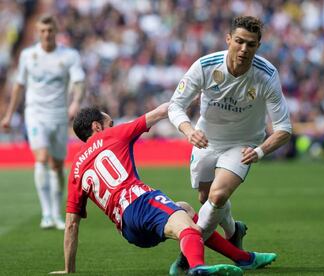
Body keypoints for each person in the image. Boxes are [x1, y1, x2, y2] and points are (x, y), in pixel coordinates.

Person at [49, 104, 252, 275]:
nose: (113, 126)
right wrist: (185, 102)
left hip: (128, 229)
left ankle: (242, 257)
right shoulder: (112, 135)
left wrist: (69, 269)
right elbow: (161, 111)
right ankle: (198, 268)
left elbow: (71, 226)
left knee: (185, 210)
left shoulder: (76, 168)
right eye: (110, 123)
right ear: (97, 126)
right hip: (140, 202)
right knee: (187, 228)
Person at [168, 15, 291, 272]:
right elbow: (175, 106)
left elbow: (284, 129)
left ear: (258, 46)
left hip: (243, 144)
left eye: (251, 44)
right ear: (228, 40)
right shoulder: (205, 66)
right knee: (205, 198)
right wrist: (189, 130)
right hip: (206, 140)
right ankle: (234, 231)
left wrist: (259, 151)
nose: (244, 49)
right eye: (239, 41)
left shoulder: (266, 75)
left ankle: (189, 253)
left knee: (218, 194)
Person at [1, 14, 85, 230]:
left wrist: (75, 102)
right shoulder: (28, 56)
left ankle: (56, 212)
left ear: (56, 31)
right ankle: (47, 214)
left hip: (58, 114)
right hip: (35, 113)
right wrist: (9, 114)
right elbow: (19, 85)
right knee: (41, 158)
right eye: (43, 31)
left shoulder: (68, 56)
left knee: (57, 165)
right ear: (38, 32)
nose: (47, 34)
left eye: (50, 30)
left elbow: (79, 81)